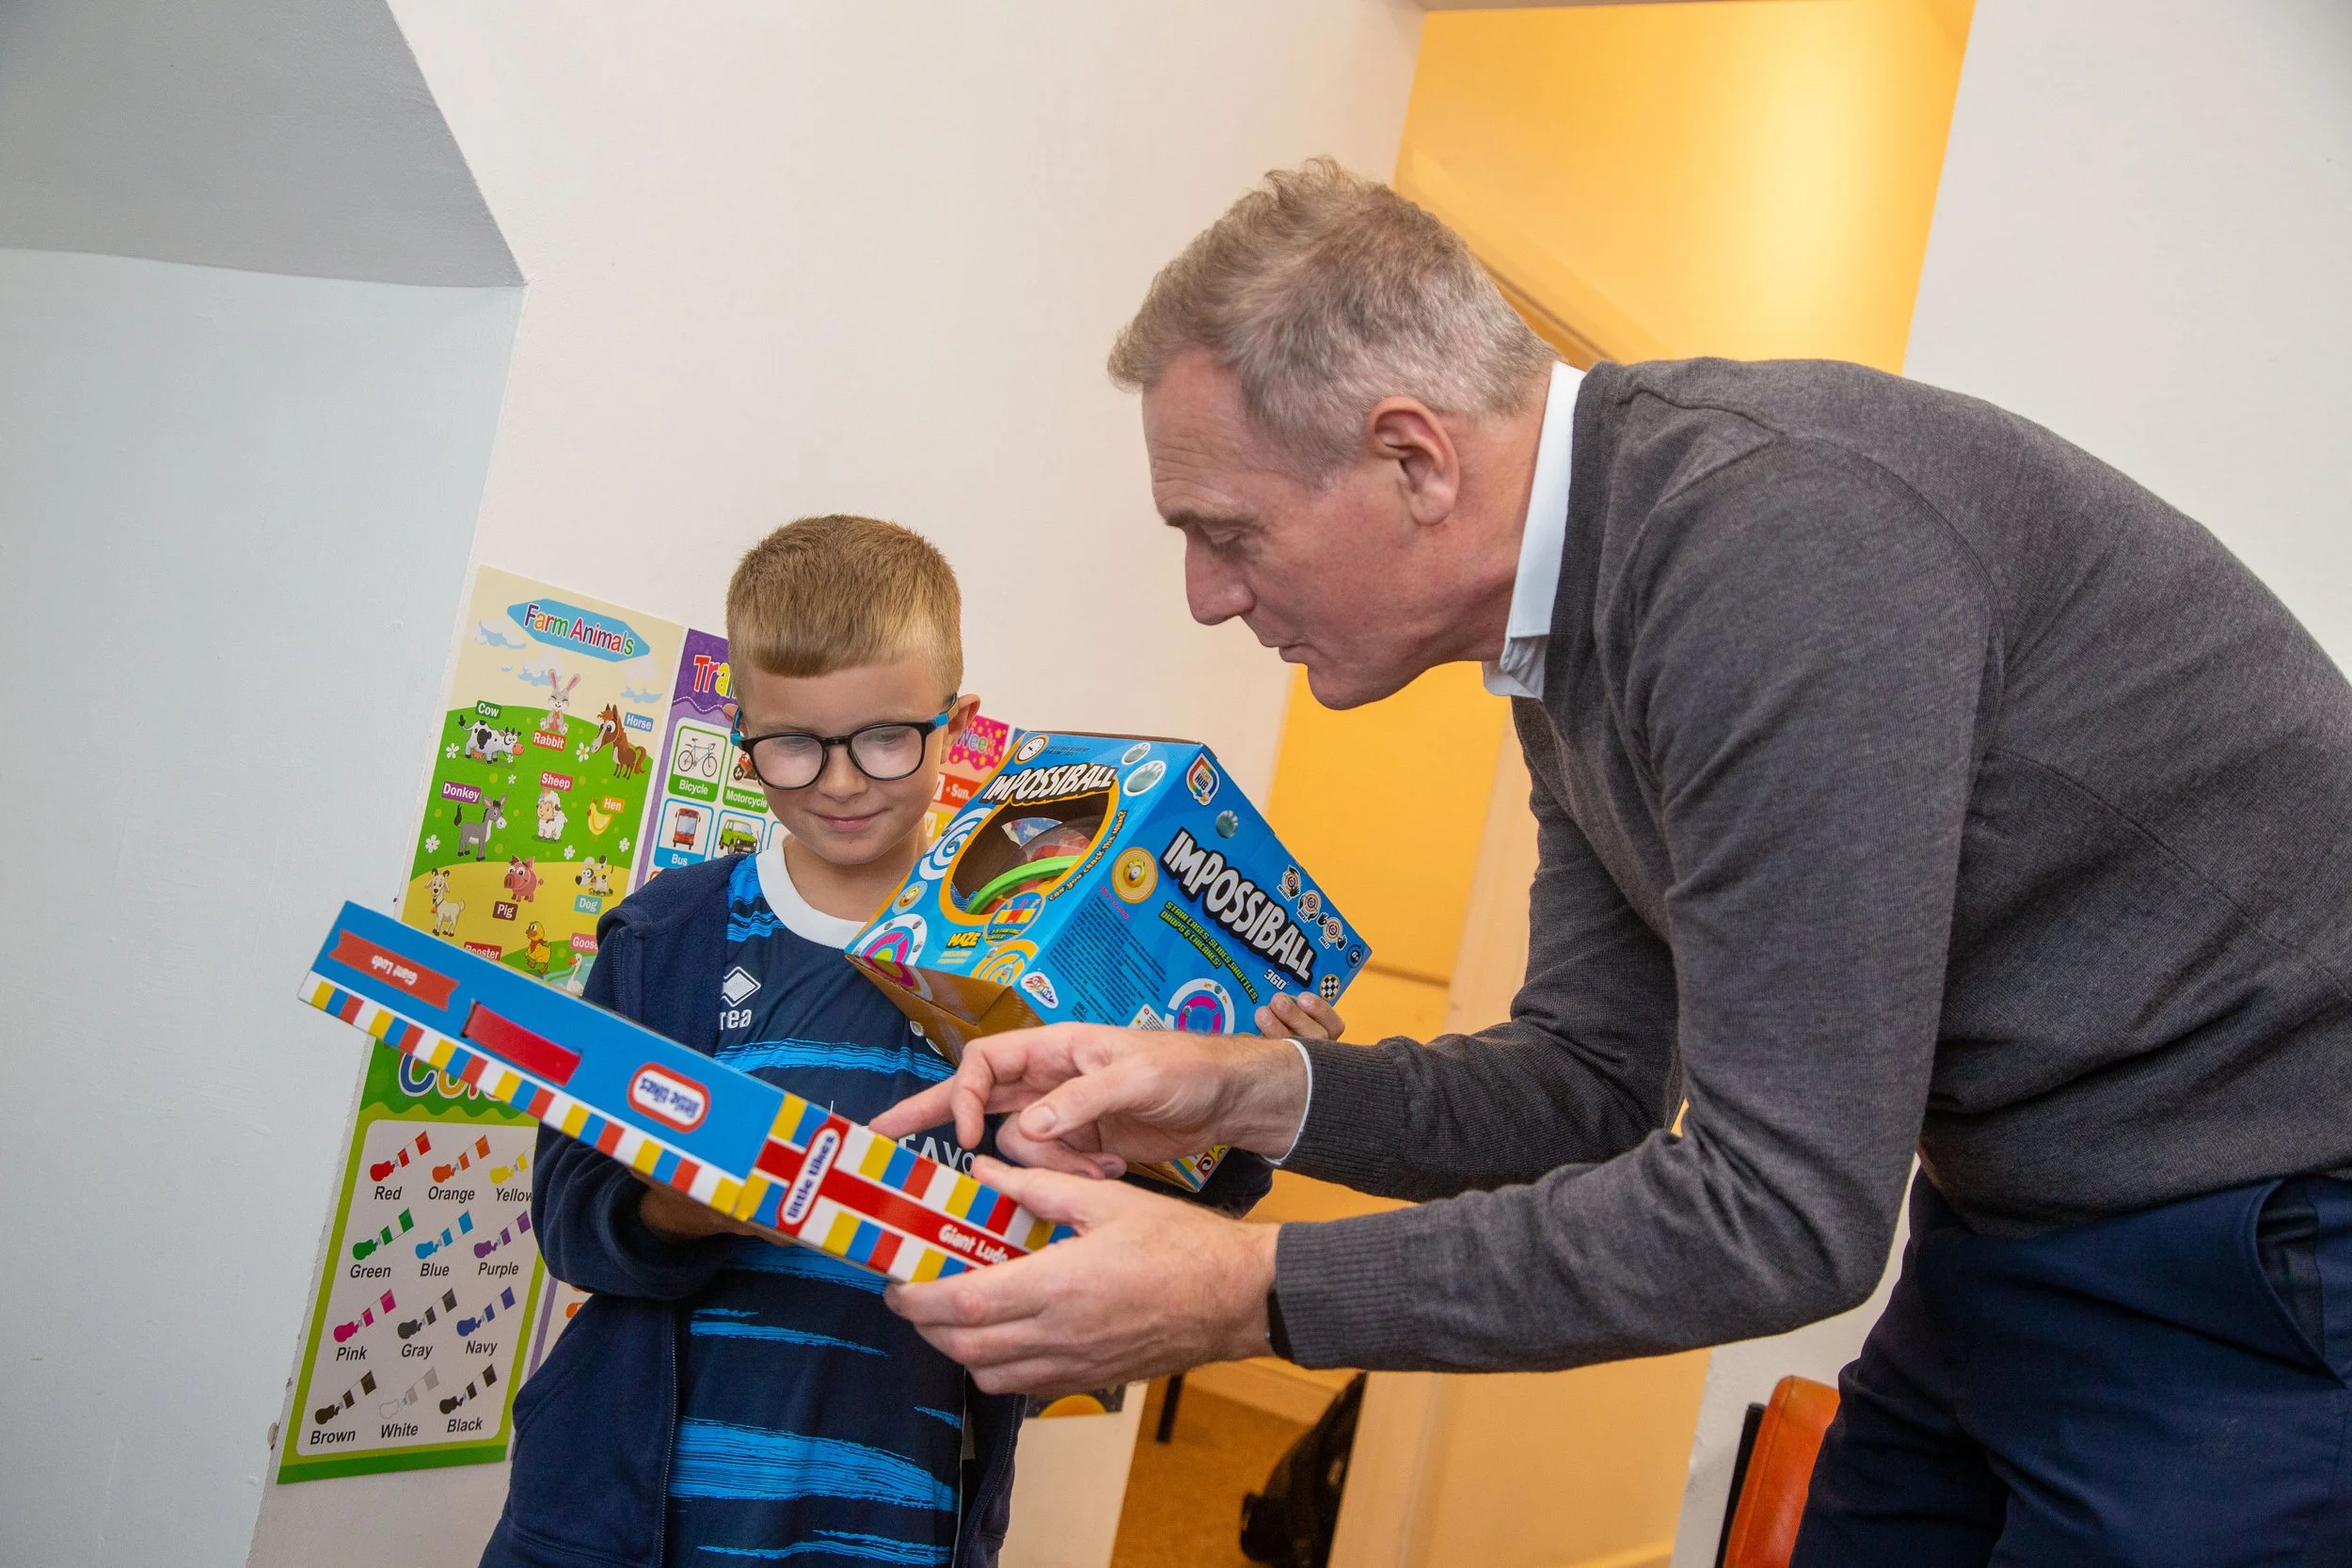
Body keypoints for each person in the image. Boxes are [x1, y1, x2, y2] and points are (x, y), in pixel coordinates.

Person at [873, 162, 2352, 1563]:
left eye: (1228, 532)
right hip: (2017, 1218)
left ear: (1411, 456)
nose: (1206, 596)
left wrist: (1250, 1290)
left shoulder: (1776, 557)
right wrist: (1252, 1091)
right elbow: (1586, 1081)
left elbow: (1781, 1210)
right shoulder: (1567, 633)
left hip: (2266, 1238)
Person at [483, 515, 1270, 1568]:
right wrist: (696, 1200)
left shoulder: (1036, 951)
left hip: (893, 1507)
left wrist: (1241, 1091)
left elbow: (1139, 1236)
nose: (841, 782)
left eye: (885, 739)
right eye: (794, 745)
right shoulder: (666, 937)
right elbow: (572, 1220)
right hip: (618, 1525)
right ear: (743, 728)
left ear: (959, 724)